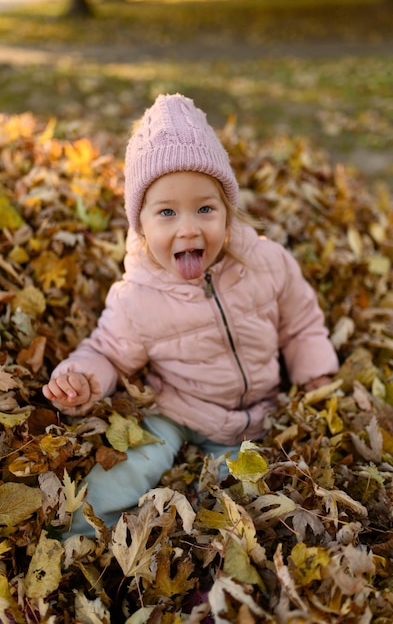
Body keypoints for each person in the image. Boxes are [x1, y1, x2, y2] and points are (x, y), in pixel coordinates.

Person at [43, 93, 339, 536]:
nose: (189, 227)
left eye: (205, 208)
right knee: (135, 464)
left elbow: (301, 324)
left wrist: (315, 375)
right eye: (166, 212)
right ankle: (78, 537)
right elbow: (107, 351)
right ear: (141, 225)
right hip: (176, 407)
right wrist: (84, 377)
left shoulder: (267, 263)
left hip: (256, 416)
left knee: (240, 495)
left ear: (227, 211)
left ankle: (196, 550)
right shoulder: (136, 298)